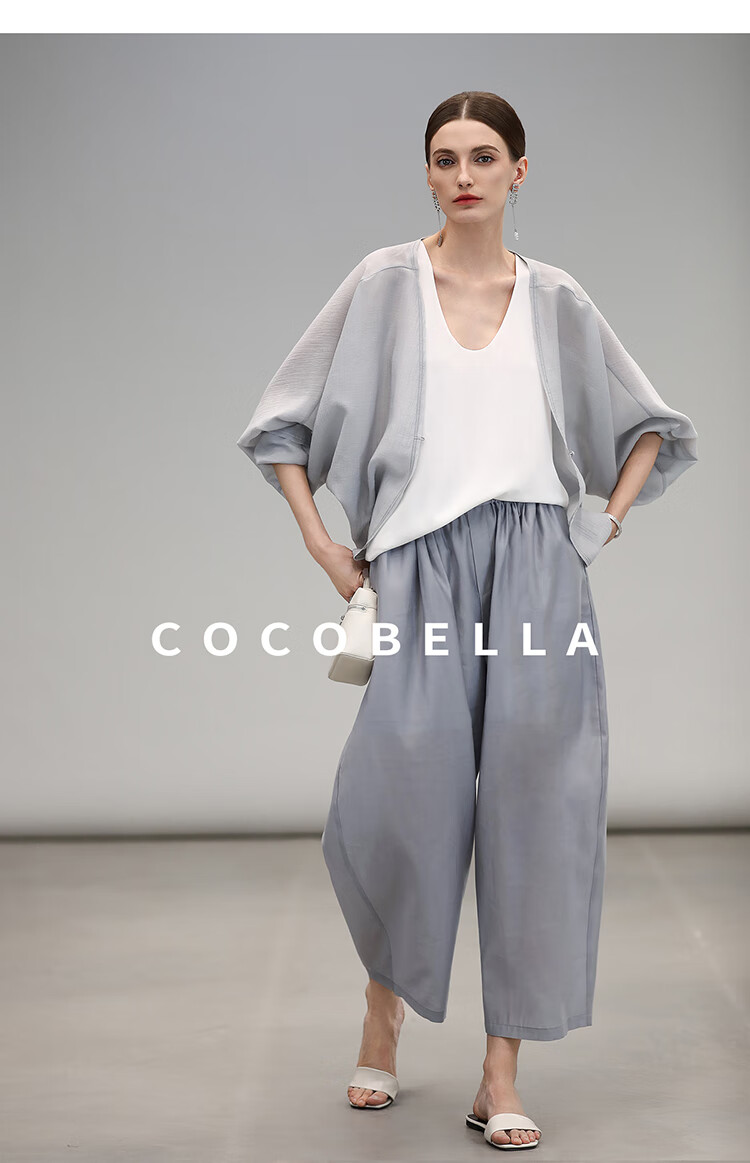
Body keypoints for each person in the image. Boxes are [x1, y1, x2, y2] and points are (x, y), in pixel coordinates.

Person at [237, 91, 698, 1152]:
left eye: (484, 157)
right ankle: (384, 1010)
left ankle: (501, 1071)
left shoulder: (557, 296)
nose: (463, 176)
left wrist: (599, 526)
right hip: (417, 566)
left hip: (539, 569)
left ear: (519, 171)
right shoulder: (384, 282)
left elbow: (652, 426)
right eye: (445, 158)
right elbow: (281, 423)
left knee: (540, 810)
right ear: (428, 172)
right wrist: (323, 543)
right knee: (403, 796)